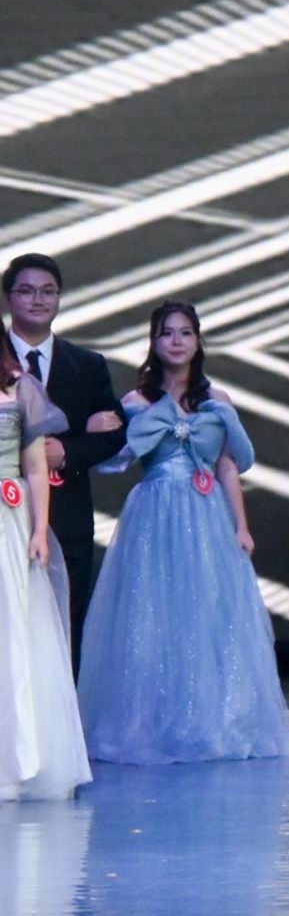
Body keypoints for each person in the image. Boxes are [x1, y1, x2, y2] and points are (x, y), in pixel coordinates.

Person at [75, 302, 289, 764]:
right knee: (151, 614)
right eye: (166, 333)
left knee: (207, 612)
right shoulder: (136, 402)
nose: (176, 341)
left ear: (198, 340)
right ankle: (149, 723)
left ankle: (208, 721)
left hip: (206, 514)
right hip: (153, 515)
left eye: (185, 333)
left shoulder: (217, 400)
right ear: (153, 341)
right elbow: (115, 459)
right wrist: (96, 428)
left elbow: (228, 465)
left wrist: (242, 526)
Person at [5, 254, 126, 670]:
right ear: (8, 298)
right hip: (7, 509)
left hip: (68, 514)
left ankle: (62, 711)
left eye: (48, 291)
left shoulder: (87, 365)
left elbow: (116, 432)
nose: (38, 299)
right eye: (26, 290)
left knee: (64, 627)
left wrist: (67, 452)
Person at [0, 323, 91, 799]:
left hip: (8, 520)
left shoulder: (21, 388)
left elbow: (36, 466)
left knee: (13, 629)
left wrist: (39, 530)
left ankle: (17, 760)